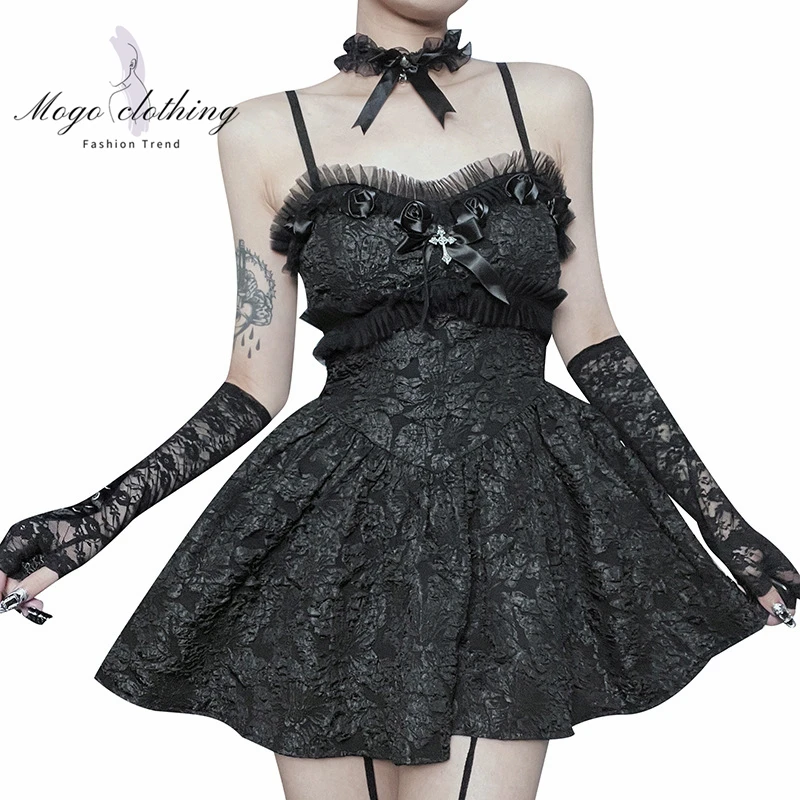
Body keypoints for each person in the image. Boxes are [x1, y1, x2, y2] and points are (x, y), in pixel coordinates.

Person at [2, 2, 798, 798]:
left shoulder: (552, 98)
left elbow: (591, 338)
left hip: (512, 518)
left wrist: (726, 527)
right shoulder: (261, 131)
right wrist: (90, 522)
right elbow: (252, 386)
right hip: (336, 528)